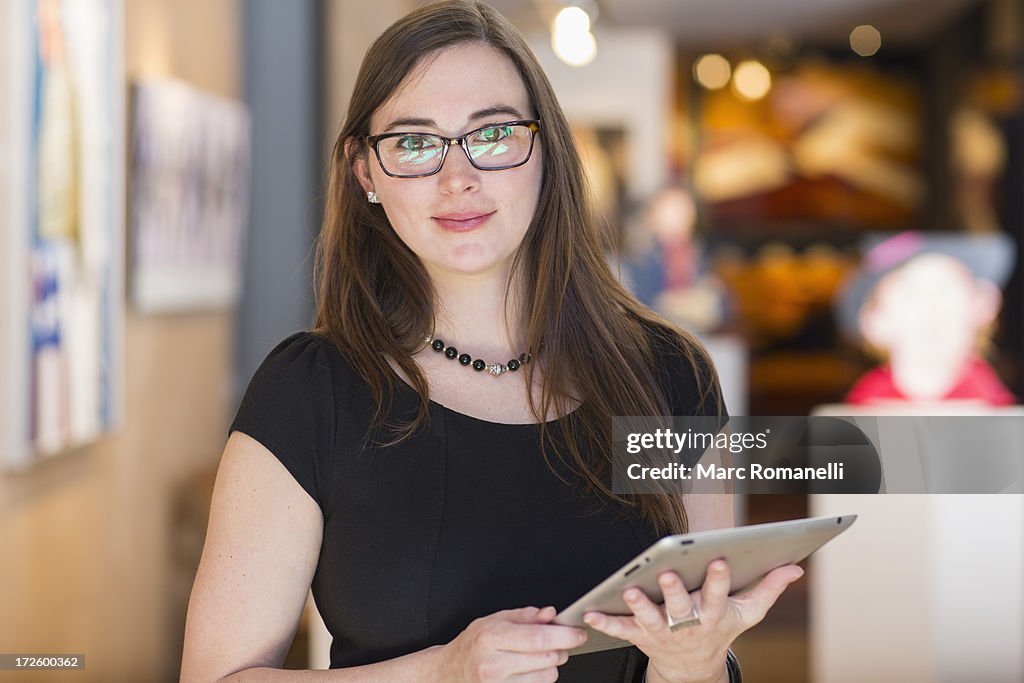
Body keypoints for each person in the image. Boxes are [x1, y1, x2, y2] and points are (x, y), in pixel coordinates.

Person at [180, 2, 803, 681]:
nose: (459, 178)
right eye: (415, 143)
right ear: (365, 173)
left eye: (494, 133)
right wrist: (441, 671)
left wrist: (695, 663)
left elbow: (699, 652)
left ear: (545, 149)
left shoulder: (666, 376)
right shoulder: (311, 394)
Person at [836, 231, 1017, 406]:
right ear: (872, 320)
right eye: (911, 292)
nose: (931, 307)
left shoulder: (1011, 426)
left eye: (946, 289)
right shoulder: (848, 426)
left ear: (984, 305)